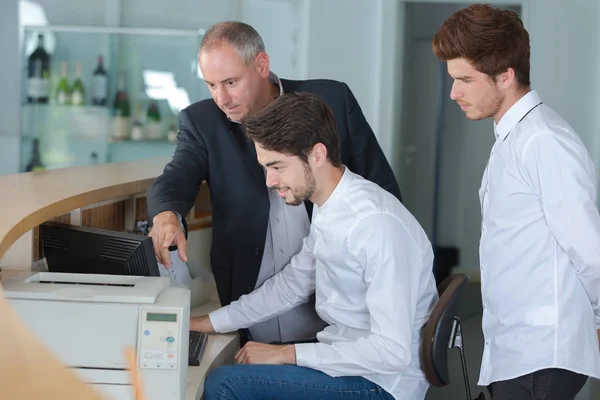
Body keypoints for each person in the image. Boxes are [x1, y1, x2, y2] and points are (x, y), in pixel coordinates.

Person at [146, 21, 401, 346]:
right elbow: (178, 175)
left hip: (339, 307)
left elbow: (381, 190)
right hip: (251, 302)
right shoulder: (203, 121)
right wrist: (167, 214)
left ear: (261, 65)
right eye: (211, 85)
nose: (221, 98)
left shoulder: (332, 100)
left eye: (230, 82)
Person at [190, 91, 438, 400]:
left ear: (317, 155)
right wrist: (208, 322)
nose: (269, 181)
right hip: (348, 362)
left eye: (277, 166)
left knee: (224, 384)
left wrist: (288, 354)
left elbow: (392, 352)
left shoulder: (373, 223)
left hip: (382, 383)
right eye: (266, 167)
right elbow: (291, 285)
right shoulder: (330, 205)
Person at [433, 4, 600, 400]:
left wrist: (596, 319)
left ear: (505, 76)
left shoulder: (543, 141)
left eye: (465, 80)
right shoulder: (515, 138)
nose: (454, 92)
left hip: (542, 354)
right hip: (517, 350)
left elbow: (588, 247)